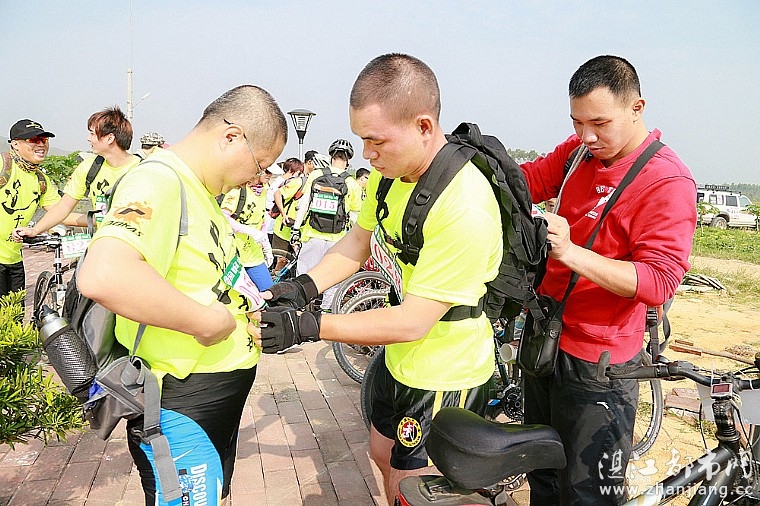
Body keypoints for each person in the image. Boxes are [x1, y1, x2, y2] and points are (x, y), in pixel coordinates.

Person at [252, 53, 503, 504]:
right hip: (398, 359)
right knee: (381, 454)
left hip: (443, 371)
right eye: (361, 140)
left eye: (376, 141)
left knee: (415, 488)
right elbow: (358, 241)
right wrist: (303, 287)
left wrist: (308, 326)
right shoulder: (390, 177)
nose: (367, 154)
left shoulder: (464, 206)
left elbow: (413, 321)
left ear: (424, 126)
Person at [76, 85, 287, 505]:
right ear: (231, 137)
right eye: (260, 164)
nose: (258, 179)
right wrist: (206, 321)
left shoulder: (198, 190)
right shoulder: (158, 180)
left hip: (211, 398)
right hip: (181, 399)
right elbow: (104, 273)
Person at [519, 55, 697, 505]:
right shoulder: (578, 152)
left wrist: (570, 252)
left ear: (637, 108)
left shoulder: (665, 180)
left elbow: (658, 280)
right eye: (577, 122)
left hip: (600, 365)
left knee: (589, 493)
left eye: (599, 123)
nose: (587, 136)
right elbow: (527, 181)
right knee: (541, 473)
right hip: (546, 341)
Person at [14, 107, 141, 240]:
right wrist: (35, 230)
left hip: (138, 243)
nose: (88, 139)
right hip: (105, 241)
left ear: (110, 138)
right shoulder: (89, 168)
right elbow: (64, 206)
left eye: (92, 134)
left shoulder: (143, 169)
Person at [290, 138, 363, 311]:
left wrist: (296, 229)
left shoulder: (316, 175)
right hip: (336, 240)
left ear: (331, 156)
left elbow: (304, 204)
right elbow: (354, 216)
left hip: (312, 234)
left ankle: (300, 310)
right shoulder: (352, 184)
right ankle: (325, 312)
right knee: (333, 277)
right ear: (348, 160)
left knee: (305, 274)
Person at [1, 119, 69, 297]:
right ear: (15, 144)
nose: (41, 145)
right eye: (33, 140)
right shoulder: (3, 166)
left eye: (44, 140)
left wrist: (101, 219)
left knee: (15, 312)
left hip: (14, 261)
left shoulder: (40, 180)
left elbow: (62, 212)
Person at [219, 162, 283, 291]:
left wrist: (266, 246)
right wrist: (250, 231)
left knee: (268, 291)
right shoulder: (238, 190)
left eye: (271, 173)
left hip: (253, 254)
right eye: (267, 172)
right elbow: (224, 217)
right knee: (232, 294)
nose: (269, 175)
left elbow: (261, 221)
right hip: (232, 253)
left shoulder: (264, 190)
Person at [269, 154, 314, 270]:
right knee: (281, 261)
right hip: (283, 228)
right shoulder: (299, 182)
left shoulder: (317, 188)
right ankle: (274, 279)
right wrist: (283, 214)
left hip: (299, 231)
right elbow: (277, 194)